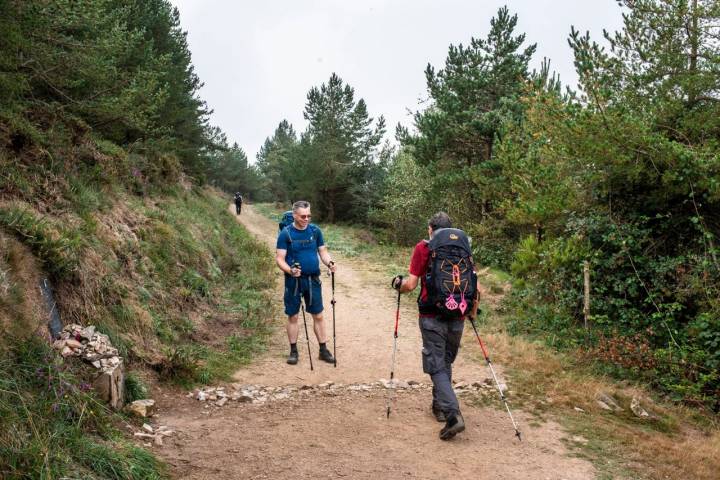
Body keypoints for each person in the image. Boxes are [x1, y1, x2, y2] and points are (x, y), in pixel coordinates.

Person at [391, 212, 479, 440]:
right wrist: (472, 311)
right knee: (445, 361)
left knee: (436, 365)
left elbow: (410, 285)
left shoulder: (424, 247)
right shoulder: (463, 247)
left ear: (431, 228)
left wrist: (397, 285)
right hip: (458, 315)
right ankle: (439, 407)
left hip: (431, 315)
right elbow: (474, 285)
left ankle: (453, 414)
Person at [276, 200, 337, 365]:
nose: (306, 219)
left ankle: (323, 350)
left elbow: (323, 252)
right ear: (294, 215)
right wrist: (290, 270)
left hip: (313, 279)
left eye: (309, 215)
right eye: (303, 216)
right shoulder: (286, 234)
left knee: (318, 314)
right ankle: (293, 351)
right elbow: (279, 259)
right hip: (293, 280)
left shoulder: (315, 231)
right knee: (293, 315)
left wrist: (330, 263)